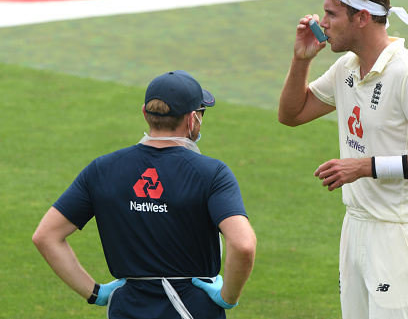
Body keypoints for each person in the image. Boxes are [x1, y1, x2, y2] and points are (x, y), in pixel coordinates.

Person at [278, 0, 408, 319]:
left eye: (332, 14)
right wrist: (301, 60)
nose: (323, 22)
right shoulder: (347, 67)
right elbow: (292, 113)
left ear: (361, 18)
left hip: (399, 234)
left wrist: (365, 167)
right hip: (356, 225)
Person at [33, 70, 257, 319]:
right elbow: (243, 245)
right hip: (193, 309)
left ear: (145, 113)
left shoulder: (102, 169)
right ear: (192, 119)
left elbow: (46, 236)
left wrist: (95, 293)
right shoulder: (213, 173)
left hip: (126, 308)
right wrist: (227, 297)